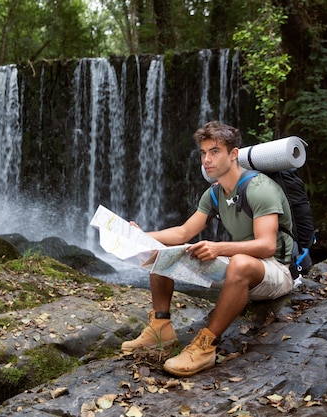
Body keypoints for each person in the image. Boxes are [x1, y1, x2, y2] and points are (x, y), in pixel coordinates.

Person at [121, 121, 295, 377]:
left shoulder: (260, 189)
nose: (207, 159)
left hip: (274, 271)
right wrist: (139, 236)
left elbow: (267, 246)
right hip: (238, 263)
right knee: (163, 250)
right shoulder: (214, 193)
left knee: (240, 263)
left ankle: (206, 346)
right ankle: (160, 326)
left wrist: (219, 248)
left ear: (233, 154)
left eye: (214, 151)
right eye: (203, 153)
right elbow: (183, 233)